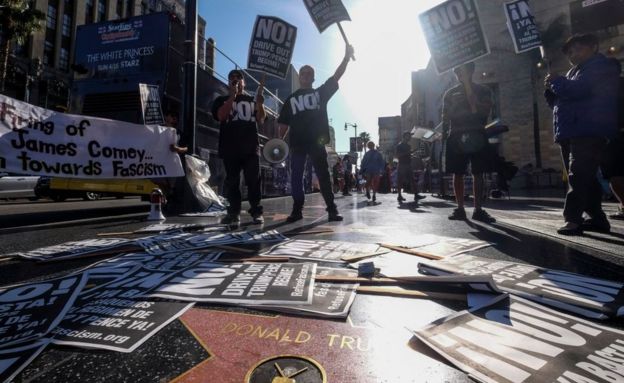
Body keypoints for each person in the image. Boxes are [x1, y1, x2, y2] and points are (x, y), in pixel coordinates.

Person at [544, 33, 620, 235]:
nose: (573, 54)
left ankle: (573, 220)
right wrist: (551, 92)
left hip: (588, 129)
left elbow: (580, 90)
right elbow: (562, 104)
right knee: (587, 179)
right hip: (571, 130)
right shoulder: (572, 72)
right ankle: (597, 219)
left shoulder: (600, 67)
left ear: (593, 47)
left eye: (578, 49)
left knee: (577, 176)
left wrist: (557, 82)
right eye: (570, 51)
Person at [278, 43, 354, 222]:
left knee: (324, 176)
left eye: (308, 73)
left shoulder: (321, 93)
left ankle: (332, 209)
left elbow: (337, 76)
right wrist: (278, 146)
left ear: (313, 77)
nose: (305, 75)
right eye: (303, 73)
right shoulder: (291, 99)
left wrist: (346, 58)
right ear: (300, 77)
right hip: (297, 143)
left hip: (316, 142)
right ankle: (297, 210)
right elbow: (283, 125)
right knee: (296, 177)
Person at [442, 61, 495, 223]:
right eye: (457, 73)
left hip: (477, 133)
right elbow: (446, 116)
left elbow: (486, 110)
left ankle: (478, 209)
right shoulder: (450, 93)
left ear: (471, 71)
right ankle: (460, 208)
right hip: (457, 135)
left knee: (478, 172)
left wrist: (474, 101)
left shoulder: (483, 90)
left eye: (462, 72)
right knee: (457, 172)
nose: (460, 75)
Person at [211, 69, 266, 227]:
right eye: (232, 78)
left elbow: (261, 119)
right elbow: (221, 116)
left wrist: (260, 104)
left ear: (244, 82)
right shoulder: (221, 99)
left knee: (253, 181)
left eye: (239, 78)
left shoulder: (252, 99)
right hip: (230, 148)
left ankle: (256, 211)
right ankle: (233, 213)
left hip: (250, 148)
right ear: (229, 82)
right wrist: (232, 97)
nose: (235, 80)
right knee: (233, 182)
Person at [395, 132, 424, 205]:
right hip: (402, 165)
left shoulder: (408, 145)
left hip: (408, 164)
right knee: (400, 181)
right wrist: (409, 152)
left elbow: (408, 155)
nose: (410, 138)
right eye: (408, 136)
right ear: (404, 137)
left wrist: (413, 154)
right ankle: (399, 196)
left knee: (412, 180)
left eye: (410, 136)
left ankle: (416, 195)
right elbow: (398, 155)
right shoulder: (399, 145)